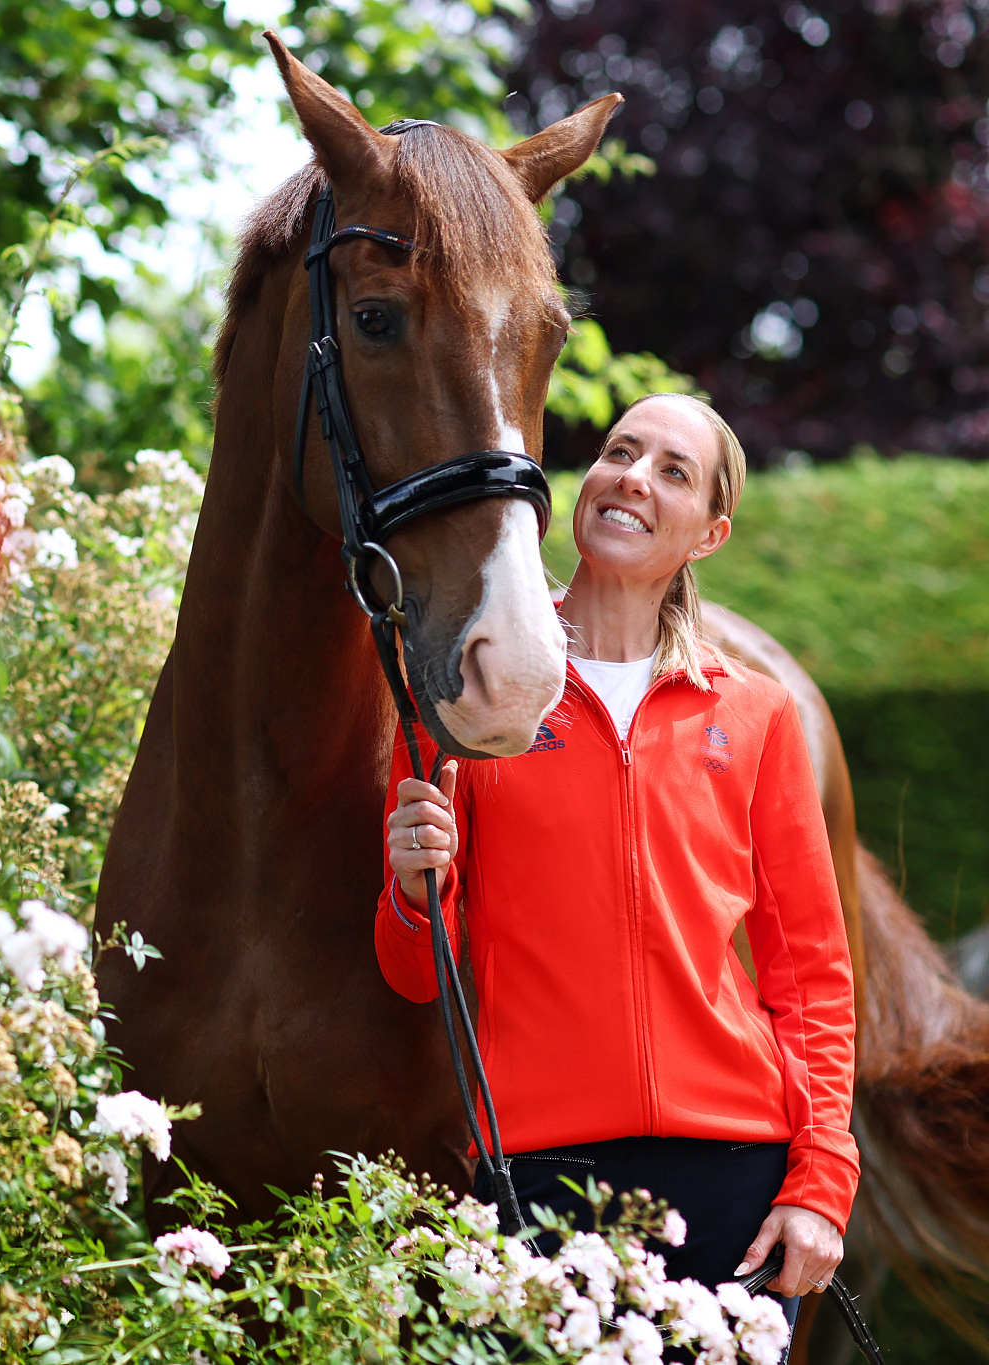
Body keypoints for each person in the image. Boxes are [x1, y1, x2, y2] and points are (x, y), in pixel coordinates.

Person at [377, 392, 856, 1331]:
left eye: (672, 471)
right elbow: (412, 971)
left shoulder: (753, 714)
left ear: (709, 534)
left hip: (736, 1181)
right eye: (619, 452)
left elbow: (811, 976)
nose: (632, 477)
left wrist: (821, 1181)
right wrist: (408, 886)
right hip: (540, 1177)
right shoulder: (469, 687)